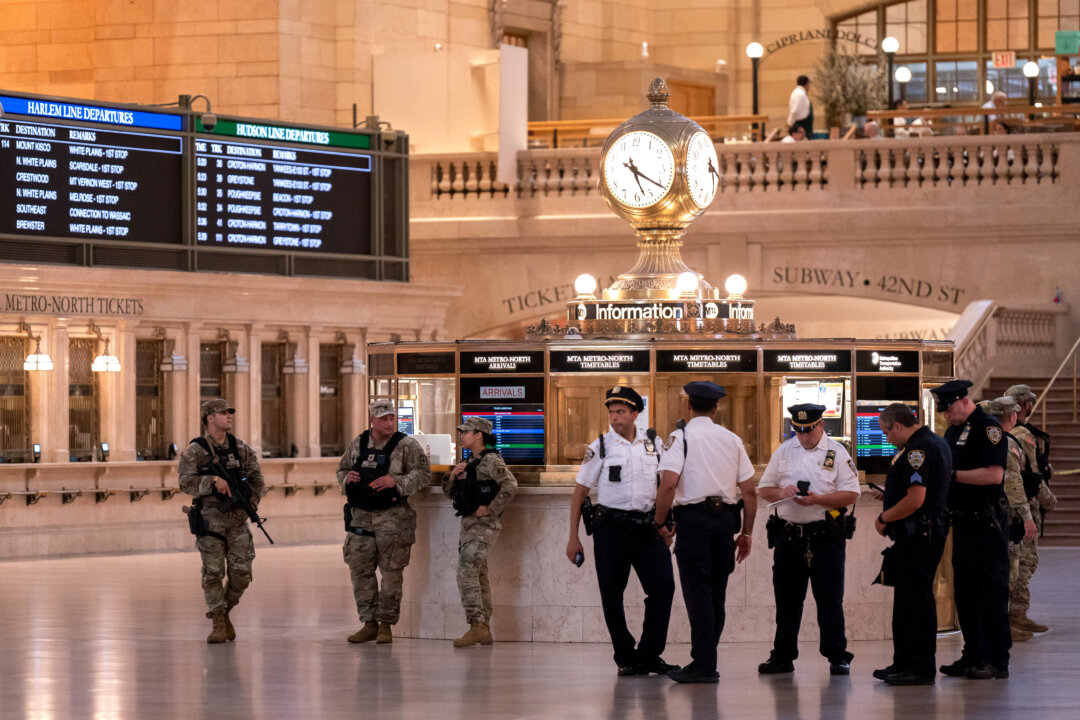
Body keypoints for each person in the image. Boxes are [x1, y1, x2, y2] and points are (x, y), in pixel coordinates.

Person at [567, 386, 677, 677]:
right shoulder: (600, 446)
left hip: (647, 528)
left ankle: (649, 655)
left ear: (635, 414)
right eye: (611, 412)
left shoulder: (654, 443)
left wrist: (665, 525)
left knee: (663, 588)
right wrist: (573, 537)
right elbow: (579, 493)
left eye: (620, 412)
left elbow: (665, 485)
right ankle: (626, 657)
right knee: (611, 594)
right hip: (611, 530)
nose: (615, 418)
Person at [655, 381, 757, 683]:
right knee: (716, 593)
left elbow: (669, 484)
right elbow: (750, 492)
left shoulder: (680, 437)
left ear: (689, 405)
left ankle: (704, 666)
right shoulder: (731, 439)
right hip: (725, 522)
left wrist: (660, 522)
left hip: (694, 522)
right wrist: (746, 533)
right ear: (715, 408)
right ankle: (706, 659)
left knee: (697, 593)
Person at [756, 404, 860, 676]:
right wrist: (783, 491)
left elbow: (850, 494)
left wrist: (818, 500)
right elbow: (764, 490)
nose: (803, 436)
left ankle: (838, 656)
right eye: (798, 430)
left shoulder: (836, 453)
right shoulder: (784, 451)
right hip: (790, 538)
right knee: (787, 601)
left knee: (830, 600)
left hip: (825, 538)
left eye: (808, 430)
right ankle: (782, 656)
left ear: (821, 425)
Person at [930, 379, 1012, 680]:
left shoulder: (988, 428)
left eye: (948, 409)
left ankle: (996, 659)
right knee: (965, 593)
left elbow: (993, 475)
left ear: (964, 401)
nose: (946, 416)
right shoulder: (954, 429)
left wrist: (950, 475)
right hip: (963, 522)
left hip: (987, 523)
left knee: (989, 592)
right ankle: (973, 654)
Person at [338, 399, 431, 644]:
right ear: (372, 420)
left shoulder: (407, 446)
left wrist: (396, 482)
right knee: (360, 570)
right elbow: (342, 470)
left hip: (393, 519)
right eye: (384, 418)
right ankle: (368, 623)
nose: (389, 422)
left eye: (392, 418)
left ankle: (386, 626)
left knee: (391, 573)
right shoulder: (357, 444)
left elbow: (423, 475)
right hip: (361, 518)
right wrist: (347, 477)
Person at [873, 403, 952, 686]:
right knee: (907, 601)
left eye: (886, 431)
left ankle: (919, 667)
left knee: (916, 601)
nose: (886, 438)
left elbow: (916, 499)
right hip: (917, 535)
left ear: (897, 425)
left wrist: (884, 517)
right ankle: (904, 663)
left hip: (919, 536)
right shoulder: (933, 443)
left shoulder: (918, 450)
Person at [179, 398, 266, 643]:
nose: (229, 416)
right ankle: (218, 621)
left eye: (230, 412)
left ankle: (225, 611)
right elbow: (185, 482)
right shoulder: (195, 450)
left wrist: (251, 502)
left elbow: (257, 479)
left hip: (238, 519)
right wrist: (211, 482)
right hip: (210, 519)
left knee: (242, 573)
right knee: (213, 572)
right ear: (209, 418)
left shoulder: (240, 448)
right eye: (223, 413)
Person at [443, 416, 517, 647]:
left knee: (466, 570)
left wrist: (490, 509)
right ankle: (483, 628)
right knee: (478, 574)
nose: (462, 436)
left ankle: (477, 625)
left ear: (479, 435)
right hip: (468, 526)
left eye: (467, 432)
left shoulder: (491, 461)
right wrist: (454, 475)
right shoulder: (469, 463)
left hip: (484, 527)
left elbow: (511, 485)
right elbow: (449, 492)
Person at [978, 396, 1037, 643]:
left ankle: (1006, 623)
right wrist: (1026, 516)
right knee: (1007, 573)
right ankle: (1003, 627)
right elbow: (1013, 481)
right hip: (1004, 514)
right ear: (1012, 416)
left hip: (996, 513)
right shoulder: (1003, 442)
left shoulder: (992, 439)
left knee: (1007, 572)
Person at [1002, 385, 1057, 635]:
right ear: (1024, 405)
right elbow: (1031, 476)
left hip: (1007, 507)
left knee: (1017, 563)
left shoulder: (1002, 433)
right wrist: (1049, 501)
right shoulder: (1023, 434)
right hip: (1021, 508)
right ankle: (1015, 616)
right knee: (1023, 563)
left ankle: (1017, 614)